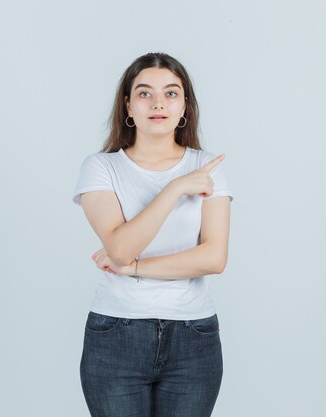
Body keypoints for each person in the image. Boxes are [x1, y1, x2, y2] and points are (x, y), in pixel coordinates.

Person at [72, 52, 234, 417]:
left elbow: (213, 258)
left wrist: (135, 268)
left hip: (194, 338)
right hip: (116, 335)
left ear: (185, 108)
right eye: (144, 93)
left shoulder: (206, 167)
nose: (158, 102)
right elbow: (120, 247)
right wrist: (174, 189)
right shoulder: (101, 167)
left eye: (171, 93)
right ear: (127, 106)